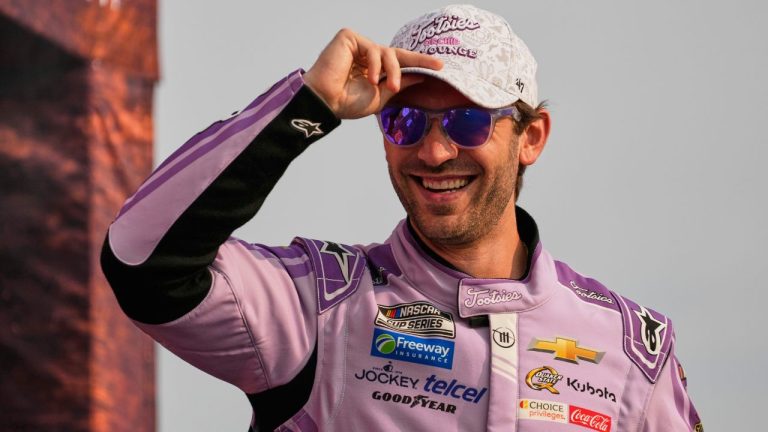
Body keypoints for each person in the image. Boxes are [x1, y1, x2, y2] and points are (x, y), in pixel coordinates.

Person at [101, 4, 702, 431]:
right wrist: (304, 108)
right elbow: (141, 258)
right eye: (406, 121)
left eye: (468, 122)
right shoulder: (319, 305)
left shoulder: (630, 349)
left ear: (531, 137)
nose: (435, 152)